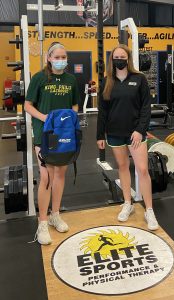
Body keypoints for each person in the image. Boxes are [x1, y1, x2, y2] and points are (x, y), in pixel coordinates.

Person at [96, 44, 159, 231]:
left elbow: (146, 107)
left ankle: (149, 210)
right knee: (122, 167)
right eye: (116, 57)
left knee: (142, 169)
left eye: (123, 57)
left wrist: (140, 130)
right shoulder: (107, 81)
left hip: (135, 133)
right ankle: (127, 203)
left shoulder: (139, 79)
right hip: (115, 132)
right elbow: (103, 111)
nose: (119, 60)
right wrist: (100, 134)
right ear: (112, 59)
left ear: (128, 59)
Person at [24, 42, 80, 245]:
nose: (60, 60)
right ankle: (42, 222)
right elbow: (27, 105)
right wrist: (45, 117)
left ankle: (55, 214)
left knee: (60, 173)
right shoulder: (39, 78)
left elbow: (75, 104)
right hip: (45, 133)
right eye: (56, 57)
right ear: (49, 58)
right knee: (46, 175)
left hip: (64, 133)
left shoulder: (71, 79)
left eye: (63, 57)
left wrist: (70, 117)